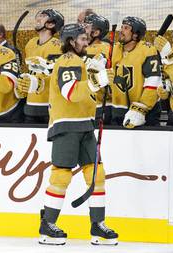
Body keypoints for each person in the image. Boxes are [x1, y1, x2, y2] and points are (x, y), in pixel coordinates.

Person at [37, 23, 118, 245]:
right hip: (66, 126)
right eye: (82, 39)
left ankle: (98, 225)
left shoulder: (80, 61)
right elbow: (71, 92)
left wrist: (96, 77)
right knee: (62, 175)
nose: (86, 42)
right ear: (71, 41)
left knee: (96, 175)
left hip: (84, 125)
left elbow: (85, 93)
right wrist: (97, 80)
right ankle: (47, 224)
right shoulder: (68, 61)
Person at [111, 16, 162, 128]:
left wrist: (141, 109)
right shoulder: (115, 48)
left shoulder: (147, 50)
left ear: (135, 34)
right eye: (121, 27)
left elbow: (153, 81)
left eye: (126, 28)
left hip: (145, 113)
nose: (121, 31)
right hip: (119, 110)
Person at [22, 9, 64, 124]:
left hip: (48, 105)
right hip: (30, 105)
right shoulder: (30, 44)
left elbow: (54, 74)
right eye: (39, 15)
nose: (38, 18)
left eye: (43, 16)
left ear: (51, 24)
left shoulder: (57, 45)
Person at [83, 13, 111, 124]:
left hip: (100, 105)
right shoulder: (80, 47)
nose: (82, 29)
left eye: (86, 26)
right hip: (83, 104)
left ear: (96, 33)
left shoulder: (106, 49)